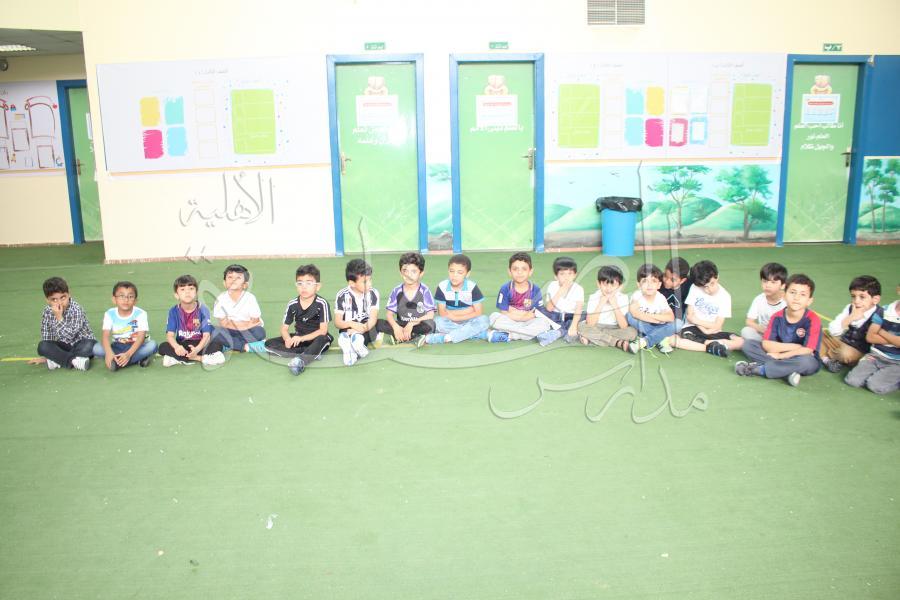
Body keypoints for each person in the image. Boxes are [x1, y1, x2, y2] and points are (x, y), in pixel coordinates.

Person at [734, 274, 822, 386]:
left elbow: (808, 350)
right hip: (778, 353)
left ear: (809, 301)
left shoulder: (813, 319)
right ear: (784, 295)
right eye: (793, 292)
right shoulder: (777, 316)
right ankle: (785, 373)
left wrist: (781, 356)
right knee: (748, 345)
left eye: (802, 294)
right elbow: (767, 344)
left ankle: (761, 369)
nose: (796, 298)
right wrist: (796, 346)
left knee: (807, 362)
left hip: (799, 358)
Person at [264, 264, 333, 376]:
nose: (303, 287)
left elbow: (323, 330)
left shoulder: (321, 303)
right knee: (268, 344)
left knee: (322, 339)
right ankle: (309, 353)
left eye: (309, 283)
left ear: (318, 286)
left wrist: (300, 338)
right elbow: (284, 329)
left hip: (316, 338)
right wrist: (287, 339)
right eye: (300, 283)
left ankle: (301, 361)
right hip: (299, 339)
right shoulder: (292, 304)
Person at [674, 259, 741, 358]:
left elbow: (717, 325)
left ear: (717, 277)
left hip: (713, 332)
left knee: (740, 341)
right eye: (705, 287)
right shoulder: (695, 288)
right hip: (692, 328)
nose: (709, 289)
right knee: (681, 337)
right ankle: (711, 345)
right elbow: (690, 316)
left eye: (712, 284)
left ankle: (708, 343)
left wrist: (706, 329)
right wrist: (704, 329)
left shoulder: (725, 296)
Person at [421, 254, 491, 345]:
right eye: (452, 271)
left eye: (460, 272)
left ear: (467, 274)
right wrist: (469, 310)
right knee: (438, 322)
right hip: (450, 321)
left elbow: (478, 312)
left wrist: (454, 316)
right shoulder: (442, 286)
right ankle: (479, 334)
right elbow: (442, 313)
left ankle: (446, 337)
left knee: (484, 320)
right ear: (448, 271)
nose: (454, 275)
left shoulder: (472, 287)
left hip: (469, 320)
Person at [158, 275, 226, 367]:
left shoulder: (203, 309)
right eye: (182, 289)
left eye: (191, 288)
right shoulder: (173, 311)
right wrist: (177, 347)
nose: (187, 292)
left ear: (196, 293)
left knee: (217, 345)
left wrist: (197, 350)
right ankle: (199, 358)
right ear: (176, 295)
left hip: (200, 344)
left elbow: (206, 335)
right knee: (163, 347)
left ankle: (184, 358)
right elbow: (170, 335)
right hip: (183, 344)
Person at [488, 252, 557, 342]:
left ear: (530, 271)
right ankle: (526, 334)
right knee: (493, 317)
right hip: (510, 320)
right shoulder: (505, 288)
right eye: (515, 269)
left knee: (544, 323)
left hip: (529, 322)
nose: (519, 272)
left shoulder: (535, 290)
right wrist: (524, 316)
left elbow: (535, 314)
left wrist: (513, 311)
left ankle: (509, 335)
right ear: (509, 271)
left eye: (524, 269)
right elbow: (504, 312)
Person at [845, 284, 900, 395]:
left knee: (874, 386)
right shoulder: (884, 310)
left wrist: (881, 332)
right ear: (898, 290)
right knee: (852, 381)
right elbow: (870, 337)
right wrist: (895, 340)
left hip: (896, 362)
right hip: (875, 356)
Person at [821, 275, 882, 373]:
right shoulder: (850, 307)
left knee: (846, 354)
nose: (856, 301)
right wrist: (851, 317)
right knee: (818, 333)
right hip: (844, 342)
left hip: (861, 351)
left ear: (875, 299)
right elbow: (833, 330)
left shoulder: (880, 315)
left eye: (862, 297)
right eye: (853, 296)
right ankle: (827, 360)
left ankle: (823, 355)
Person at [92, 281, 157, 371]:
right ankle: (138, 359)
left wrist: (128, 354)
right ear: (114, 299)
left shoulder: (141, 314)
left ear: (135, 301)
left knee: (152, 345)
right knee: (96, 348)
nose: (126, 300)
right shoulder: (109, 314)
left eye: (130, 296)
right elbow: (105, 336)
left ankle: (117, 362)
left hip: (136, 346)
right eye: (122, 296)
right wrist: (109, 353)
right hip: (117, 346)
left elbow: (141, 338)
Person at [37, 276, 95, 371]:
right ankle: (74, 361)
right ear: (47, 300)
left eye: (63, 297)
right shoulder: (47, 312)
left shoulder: (76, 309)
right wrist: (48, 353)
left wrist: (59, 317)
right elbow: (48, 338)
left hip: (81, 343)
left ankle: (59, 360)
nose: (60, 303)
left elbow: (70, 335)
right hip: (64, 346)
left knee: (90, 346)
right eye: (54, 300)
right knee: (42, 346)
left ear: (69, 295)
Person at [377, 252, 436, 344]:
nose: (409, 275)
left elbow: (430, 315)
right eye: (405, 271)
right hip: (401, 324)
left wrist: (411, 323)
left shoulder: (425, 291)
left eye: (413, 271)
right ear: (401, 272)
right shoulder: (396, 291)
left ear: (421, 273)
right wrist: (396, 327)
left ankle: (401, 337)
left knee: (431, 325)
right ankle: (411, 336)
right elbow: (389, 314)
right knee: (378, 323)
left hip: (417, 324)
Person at [577, 265, 637, 350]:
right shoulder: (594, 297)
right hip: (597, 326)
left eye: (613, 285)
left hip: (615, 328)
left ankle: (594, 338)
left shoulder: (623, 298)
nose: (609, 289)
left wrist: (615, 304)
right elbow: (590, 323)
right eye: (605, 284)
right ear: (598, 284)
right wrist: (601, 303)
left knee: (632, 332)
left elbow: (623, 326)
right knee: (581, 326)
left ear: (620, 286)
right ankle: (616, 342)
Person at [334, 259, 381, 366]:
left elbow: (372, 319)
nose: (369, 284)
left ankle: (353, 345)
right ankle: (355, 346)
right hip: (348, 327)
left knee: (375, 326)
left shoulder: (373, 293)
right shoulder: (342, 295)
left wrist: (361, 329)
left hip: (366, 325)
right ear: (352, 283)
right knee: (345, 330)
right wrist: (352, 324)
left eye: (370, 280)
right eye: (365, 282)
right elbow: (338, 322)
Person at [212, 264, 267, 353]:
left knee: (259, 332)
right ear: (224, 283)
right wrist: (244, 325)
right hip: (230, 331)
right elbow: (223, 324)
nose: (233, 280)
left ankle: (229, 345)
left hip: (248, 331)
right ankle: (246, 347)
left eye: (238, 277)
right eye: (230, 277)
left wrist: (235, 324)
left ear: (245, 285)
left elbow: (255, 322)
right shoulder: (220, 299)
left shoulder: (250, 298)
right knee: (213, 331)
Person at [625, 263, 676, 354]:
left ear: (659, 285)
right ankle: (660, 339)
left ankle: (644, 341)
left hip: (657, 325)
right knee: (629, 316)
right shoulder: (637, 295)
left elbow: (671, 317)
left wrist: (652, 318)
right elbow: (634, 313)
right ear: (639, 285)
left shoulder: (661, 298)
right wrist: (657, 319)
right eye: (645, 281)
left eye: (653, 281)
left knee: (678, 323)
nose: (649, 285)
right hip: (643, 324)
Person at [536, 256, 585, 346]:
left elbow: (578, 309)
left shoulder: (578, 289)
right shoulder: (552, 285)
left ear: (575, 275)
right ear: (556, 276)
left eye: (570, 273)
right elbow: (549, 308)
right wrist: (561, 291)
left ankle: (559, 332)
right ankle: (565, 332)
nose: (566, 277)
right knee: (539, 311)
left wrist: (573, 326)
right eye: (562, 274)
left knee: (585, 315)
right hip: (555, 315)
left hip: (571, 316)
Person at [741, 262, 787, 342]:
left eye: (773, 282)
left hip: (783, 334)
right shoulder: (759, 299)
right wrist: (765, 330)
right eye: (765, 281)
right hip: (764, 333)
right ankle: (769, 345)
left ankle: (767, 345)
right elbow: (749, 321)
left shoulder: (787, 301)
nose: (767, 285)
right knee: (746, 331)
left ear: (783, 285)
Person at [661, 257, 692, 329]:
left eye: (672, 280)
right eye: (665, 276)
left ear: (682, 280)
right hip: (658, 317)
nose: (667, 281)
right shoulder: (657, 281)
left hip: (675, 322)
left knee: (678, 325)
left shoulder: (690, 285)